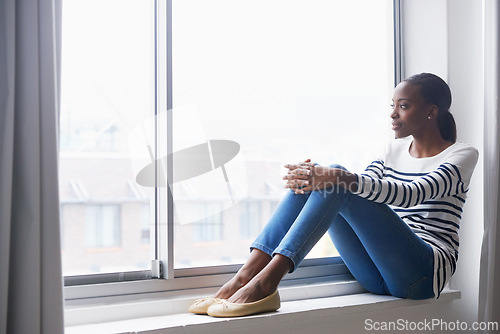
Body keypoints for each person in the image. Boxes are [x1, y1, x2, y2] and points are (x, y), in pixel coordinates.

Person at [188, 72, 479, 318]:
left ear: (431, 111)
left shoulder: (462, 154)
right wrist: (311, 177)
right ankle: (245, 276)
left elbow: (413, 194)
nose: (392, 114)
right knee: (326, 180)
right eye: (392, 105)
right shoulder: (391, 150)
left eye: (402, 106)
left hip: (422, 275)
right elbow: (366, 188)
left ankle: (267, 282)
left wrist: (336, 176)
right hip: (376, 274)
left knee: (337, 177)